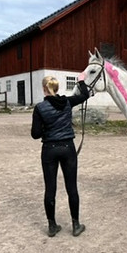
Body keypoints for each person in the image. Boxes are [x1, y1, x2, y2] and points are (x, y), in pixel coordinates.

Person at [31, 74, 90, 237]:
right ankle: (76, 225)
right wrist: (81, 80)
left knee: (50, 189)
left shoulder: (40, 108)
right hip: (67, 148)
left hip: (49, 149)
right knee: (72, 188)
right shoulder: (68, 102)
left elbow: (35, 134)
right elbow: (85, 95)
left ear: (44, 89)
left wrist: (47, 129)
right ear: (56, 89)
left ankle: (52, 226)